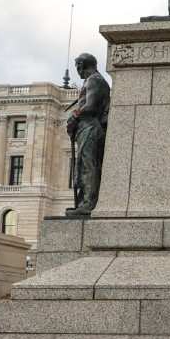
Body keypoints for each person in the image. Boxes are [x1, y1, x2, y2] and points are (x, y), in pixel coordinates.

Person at [65, 53, 109, 216]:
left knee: (88, 166)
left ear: (81, 65)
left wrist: (74, 116)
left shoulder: (94, 80)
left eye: (78, 66)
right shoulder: (92, 81)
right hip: (86, 127)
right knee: (83, 165)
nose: (77, 70)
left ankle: (88, 203)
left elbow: (90, 106)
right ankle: (83, 201)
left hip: (90, 127)